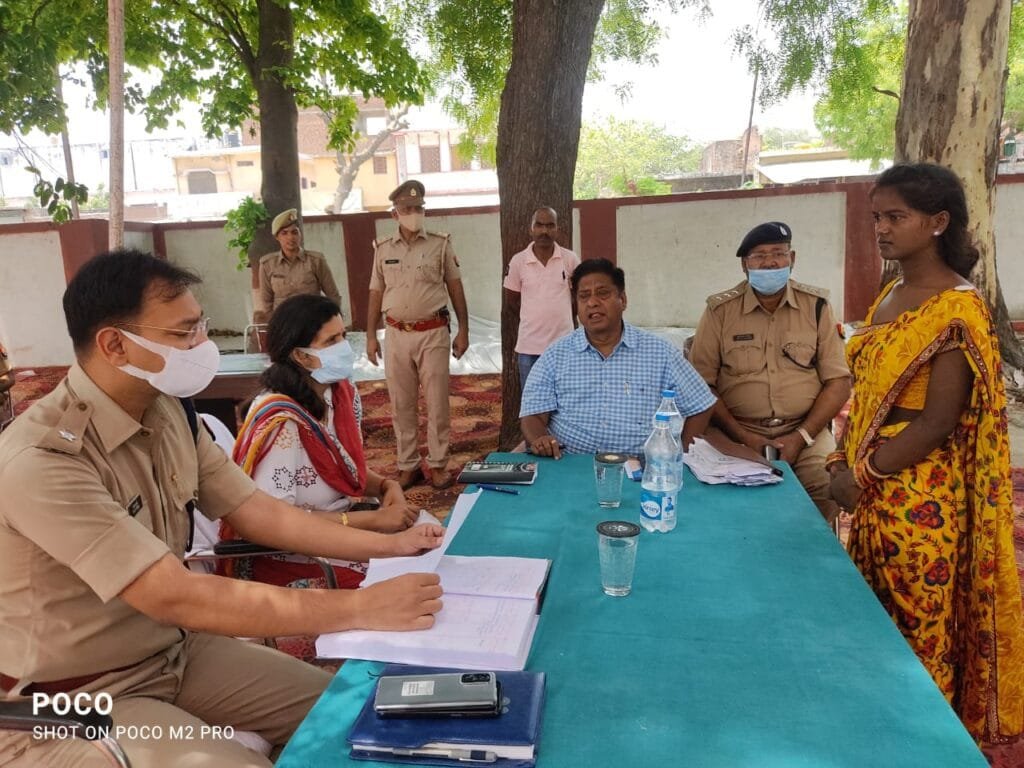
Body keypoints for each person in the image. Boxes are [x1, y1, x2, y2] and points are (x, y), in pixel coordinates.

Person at [0, 250, 444, 767]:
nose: (202, 345)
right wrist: (360, 607)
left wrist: (391, 547)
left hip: (172, 655)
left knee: (361, 715)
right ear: (115, 344)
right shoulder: (45, 460)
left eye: (201, 326)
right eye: (183, 333)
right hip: (69, 698)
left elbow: (258, 511)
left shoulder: (167, 411)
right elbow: (174, 594)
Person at [828, 163, 1024, 743]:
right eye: (876, 217)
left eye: (896, 217)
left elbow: (938, 419)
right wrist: (842, 461)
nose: (881, 229)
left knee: (917, 627)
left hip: (920, 501)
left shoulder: (957, 308)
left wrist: (862, 473)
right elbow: (869, 392)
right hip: (873, 489)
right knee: (875, 621)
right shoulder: (892, 294)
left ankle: (922, 744)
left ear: (938, 222)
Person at [225, 294, 420, 589]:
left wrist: (385, 486)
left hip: (339, 528)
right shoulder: (282, 422)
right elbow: (275, 523)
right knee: (404, 582)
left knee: (427, 551)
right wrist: (376, 521)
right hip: (296, 553)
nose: (343, 348)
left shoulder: (339, 394)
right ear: (300, 356)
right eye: (331, 341)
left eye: (343, 336)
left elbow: (339, 464)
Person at [689, 221, 851, 522]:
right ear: (744, 265)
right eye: (759, 256)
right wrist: (744, 436)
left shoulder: (816, 307)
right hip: (736, 431)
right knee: (732, 498)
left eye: (778, 253)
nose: (770, 263)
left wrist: (801, 436)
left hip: (807, 431)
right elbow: (701, 385)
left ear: (792, 258)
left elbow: (838, 381)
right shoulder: (720, 311)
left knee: (825, 486)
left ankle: (809, 552)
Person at [520, 258, 715, 457]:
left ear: (623, 300)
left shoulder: (660, 353)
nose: (592, 302)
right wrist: (540, 439)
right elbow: (533, 414)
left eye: (602, 293)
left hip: (640, 465)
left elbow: (701, 404)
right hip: (571, 462)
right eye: (584, 296)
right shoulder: (556, 355)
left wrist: (680, 456)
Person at [365, 180, 470, 491]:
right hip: (396, 333)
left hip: (433, 332)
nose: (414, 213)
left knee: (437, 403)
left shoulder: (440, 244)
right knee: (401, 404)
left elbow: (455, 287)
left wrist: (464, 329)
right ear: (395, 214)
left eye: (418, 208)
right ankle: (408, 465)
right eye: (407, 209)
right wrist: (370, 336)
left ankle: (438, 464)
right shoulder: (383, 249)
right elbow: (375, 292)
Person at [503, 206, 579, 390]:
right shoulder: (518, 261)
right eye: (539, 225)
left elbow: (580, 296)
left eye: (550, 225)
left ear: (557, 229)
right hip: (529, 349)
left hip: (564, 347)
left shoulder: (570, 259)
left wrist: (565, 317)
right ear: (531, 229)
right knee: (533, 402)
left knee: (566, 400)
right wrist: (533, 317)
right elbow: (512, 300)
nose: (544, 231)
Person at [255, 208, 342, 323]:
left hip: (313, 322)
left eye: (294, 232)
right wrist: (275, 326)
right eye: (284, 233)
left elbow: (333, 295)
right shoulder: (267, 264)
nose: (290, 237)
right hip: (284, 323)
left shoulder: (316, 261)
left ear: (300, 234)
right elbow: (267, 302)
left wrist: (331, 321)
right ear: (277, 237)